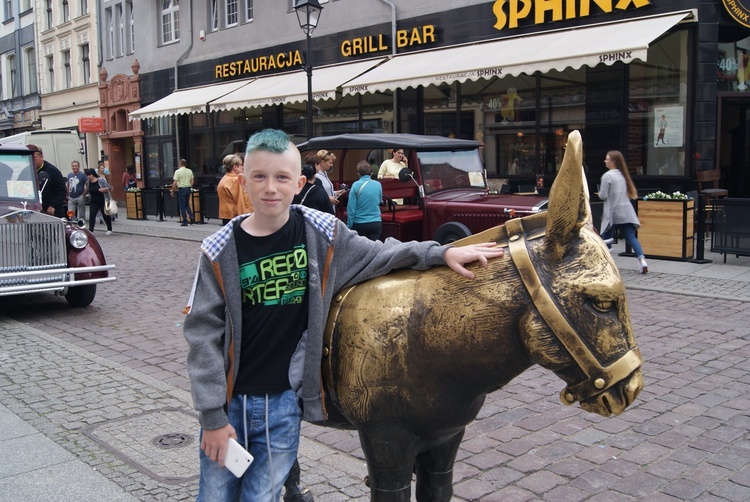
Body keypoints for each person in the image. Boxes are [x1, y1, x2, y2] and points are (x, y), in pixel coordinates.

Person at [182, 129, 504, 501]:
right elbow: (202, 334)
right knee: (216, 494)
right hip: (230, 400)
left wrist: (441, 253)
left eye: (282, 177)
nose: (271, 187)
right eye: (259, 176)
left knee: (262, 495)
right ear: (244, 180)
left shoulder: (321, 234)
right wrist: (212, 417)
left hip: (285, 403)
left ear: (299, 183)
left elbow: (383, 254)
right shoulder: (218, 250)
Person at [599, 150, 648, 274]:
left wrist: (599, 193)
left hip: (612, 212)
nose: (605, 161)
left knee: (606, 238)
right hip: (626, 211)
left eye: (607, 159)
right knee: (631, 237)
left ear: (613, 162)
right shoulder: (624, 175)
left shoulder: (607, 176)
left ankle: (607, 264)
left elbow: (603, 195)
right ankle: (642, 260)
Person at [347, 160, 383, 240]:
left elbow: (351, 209)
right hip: (376, 222)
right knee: (373, 249)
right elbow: (380, 201)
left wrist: (349, 225)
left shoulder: (355, 185)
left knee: (359, 250)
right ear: (371, 173)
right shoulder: (378, 184)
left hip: (359, 223)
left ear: (358, 174)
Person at [28, 144, 67, 217]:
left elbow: (62, 191)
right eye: (29, 158)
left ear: (41, 157)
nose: (32, 160)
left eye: (34, 157)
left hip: (51, 212)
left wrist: (53, 206)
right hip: (33, 211)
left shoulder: (52, 171)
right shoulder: (26, 171)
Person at [217, 154, 253, 225]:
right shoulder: (235, 180)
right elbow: (241, 201)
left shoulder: (225, 178)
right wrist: (244, 218)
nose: (242, 167)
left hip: (227, 214)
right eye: (241, 164)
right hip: (236, 216)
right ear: (235, 167)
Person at [85, 168, 113, 235]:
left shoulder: (100, 180)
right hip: (93, 201)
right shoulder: (88, 182)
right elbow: (88, 190)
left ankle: (109, 229)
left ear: (93, 174)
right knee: (92, 215)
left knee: (105, 215)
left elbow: (109, 187)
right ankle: (91, 230)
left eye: (89, 175)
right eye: (87, 175)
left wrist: (103, 189)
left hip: (102, 200)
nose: (88, 177)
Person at [171, 158, 196, 226]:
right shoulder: (189, 171)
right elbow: (192, 181)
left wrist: (172, 190)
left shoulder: (178, 171)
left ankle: (185, 221)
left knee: (182, 206)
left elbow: (175, 182)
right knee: (187, 204)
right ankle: (191, 217)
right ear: (186, 164)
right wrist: (189, 187)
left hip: (181, 189)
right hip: (188, 188)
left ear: (180, 164)